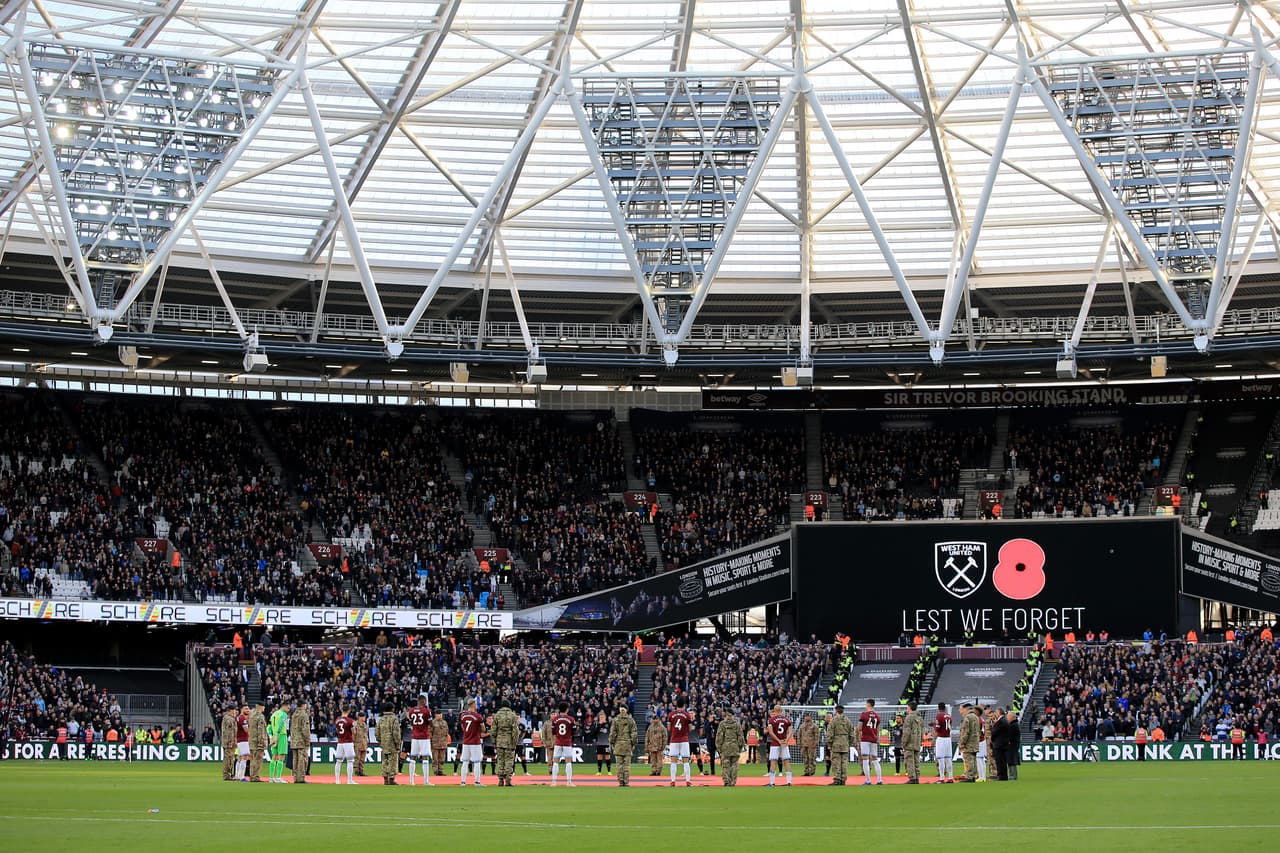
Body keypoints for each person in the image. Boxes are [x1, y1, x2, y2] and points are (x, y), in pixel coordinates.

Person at [405, 695, 434, 786]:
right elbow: (431, 724)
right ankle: (425, 781)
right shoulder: (426, 711)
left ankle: (411, 781)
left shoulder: (411, 711)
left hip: (414, 736)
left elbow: (410, 721)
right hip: (424, 736)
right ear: (424, 701)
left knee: (413, 757)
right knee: (425, 757)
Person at [492, 699, 521, 787]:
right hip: (509, 741)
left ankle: (500, 780)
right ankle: (508, 780)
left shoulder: (497, 715)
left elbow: (493, 730)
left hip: (499, 741)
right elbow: (515, 731)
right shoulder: (512, 715)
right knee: (509, 761)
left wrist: (494, 742)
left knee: (500, 760)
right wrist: (515, 742)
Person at [458, 699, 487, 786]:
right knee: (477, 762)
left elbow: (463, 727)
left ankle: (463, 782)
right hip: (475, 741)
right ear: (473, 704)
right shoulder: (478, 716)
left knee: (465, 761)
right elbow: (483, 729)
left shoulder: (463, 715)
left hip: (466, 741)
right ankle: (477, 782)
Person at [668, 699, 696, 787]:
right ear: (683, 705)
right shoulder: (687, 715)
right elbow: (690, 728)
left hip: (674, 740)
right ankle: (688, 781)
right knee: (686, 761)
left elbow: (669, 728)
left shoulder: (671, 714)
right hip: (684, 740)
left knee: (673, 761)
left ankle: (673, 781)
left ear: (676, 705)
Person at [609, 705, 638, 787]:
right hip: (627, 744)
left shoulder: (616, 720)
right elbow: (634, 733)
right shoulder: (630, 720)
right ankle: (626, 781)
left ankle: (620, 781)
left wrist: (612, 742)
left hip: (618, 744)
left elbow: (612, 733)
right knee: (627, 765)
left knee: (619, 765)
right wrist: (633, 743)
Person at [715, 709, 745, 787]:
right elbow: (741, 737)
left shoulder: (722, 724)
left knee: (725, 765)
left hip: (725, 747)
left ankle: (726, 781)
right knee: (734, 765)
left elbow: (719, 737)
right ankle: (733, 781)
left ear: (726, 714)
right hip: (735, 746)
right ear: (733, 715)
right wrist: (740, 747)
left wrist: (719, 747)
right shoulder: (736, 724)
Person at [765, 703, 794, 787]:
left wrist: (778, 740)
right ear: (781, 711)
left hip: (775, 744)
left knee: (773, 762)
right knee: (786, 762)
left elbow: (771, 732)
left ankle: (772, 782)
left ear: (774, 710)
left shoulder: (771, 720)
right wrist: (786, 741)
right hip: (784, 743)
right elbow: (791, 732)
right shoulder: (787, 720)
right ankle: (789, 782)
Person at [549, 700, 576, 787]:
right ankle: (568, 782)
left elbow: (553, 732)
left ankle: (554, 782)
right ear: (567, 709)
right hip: (567, 742)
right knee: (568, 762)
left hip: (558, 742)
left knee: (556, 762)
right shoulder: (571, 719)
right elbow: (574, 732)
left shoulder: (555, 719)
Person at [826, 706, 855, 786]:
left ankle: (837, 779)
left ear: (836, 711)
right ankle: (843, 779)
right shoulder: (848, 721)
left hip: (836, 744)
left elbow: (830, 734)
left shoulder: (833, 721)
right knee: (844, 763)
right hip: (845, 743)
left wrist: (829, 743)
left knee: (836, 762)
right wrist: (849, 743)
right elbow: (852, 734)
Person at [858, 699, 883, 786]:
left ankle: (868, 780)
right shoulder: (877, 716)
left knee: (865, 759)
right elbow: (877, 728)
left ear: (868, 705)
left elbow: (859, 728)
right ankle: (880, 780)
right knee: (875, 759)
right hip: (874, 738)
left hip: (865, 738)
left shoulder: (864, 715)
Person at [376, 702, 400, 785]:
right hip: (392, 743)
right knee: (392, 761)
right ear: (392, 709)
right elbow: (396, 733)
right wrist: (398, 743)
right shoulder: (394, 719)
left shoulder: (381, 719)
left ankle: (385, 779)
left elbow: (377, 732)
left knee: (384, 761)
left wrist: (380, 741)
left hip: (384, 743)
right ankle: (391, 779)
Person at [958, 703, 981, 782]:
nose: (959, 711)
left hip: (968, 743)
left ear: (965, 709)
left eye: (960, 709)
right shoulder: (976, 717)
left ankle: (969, 776)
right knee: (973, 759)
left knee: (968, 759)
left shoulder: (967, 717)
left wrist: (961, 743)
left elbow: (965, 732)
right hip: (975, 742)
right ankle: (973, 775)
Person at [333, 707, 357, 785]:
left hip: (340, 742)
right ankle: (349, 780)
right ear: (349, 711)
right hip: (348, 742)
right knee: (350, 761)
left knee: (338, 761)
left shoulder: (337, 720)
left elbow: (337, 730)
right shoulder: (350, 721)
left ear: (341, 710)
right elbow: (354, 732)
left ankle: (337, 780)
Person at [902, 701, 923, 784]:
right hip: (917, 742)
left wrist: (904, 743)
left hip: (910, 743)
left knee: (909, 761)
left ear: (909, 707)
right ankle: (917, 778)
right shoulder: (919, 718)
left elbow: (907, 732)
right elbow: (921, 731)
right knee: (916, 760)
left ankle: (912, 778)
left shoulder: (909, 717)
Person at [267, 702, 289, 783]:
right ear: (284, 706)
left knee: (274, 757)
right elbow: (280, 725)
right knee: (281, 757)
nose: (288, 710)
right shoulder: (283, 714)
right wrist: (277, 735)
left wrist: (271, 736)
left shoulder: (273, 714)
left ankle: (271, 777)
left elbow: (268, 727)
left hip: (273, 736)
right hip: (281, 735)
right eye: (288, 708)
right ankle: (278, 778)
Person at [290, 701, 311, 784]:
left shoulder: (294, 714)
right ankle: (301, 778)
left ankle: (295, 777)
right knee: (302, 760)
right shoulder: (304, 715)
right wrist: (307, 740)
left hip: (294, 740)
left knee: (295, 759)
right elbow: (305, 729)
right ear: (303, 705)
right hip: (301, 741)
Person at [932, 702, 954, 783]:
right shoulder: (949, 716)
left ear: (938, 708)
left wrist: (933, 725)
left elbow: (937, 728)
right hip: (948, 739)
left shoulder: (939, 716)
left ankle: (941, 778)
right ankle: (951, 777)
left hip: (941, 739)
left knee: (940, 759)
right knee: (948, 759)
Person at [248, 702, 267, 782]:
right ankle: (255, 776)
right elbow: (261, 730)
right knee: (258, 760)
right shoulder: (260, 716)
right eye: (263, 707)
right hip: (258, 742)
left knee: (253, 759)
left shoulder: (252, 715)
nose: (264, 708)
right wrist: (262, 742)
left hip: (252, 740)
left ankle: (252, 775)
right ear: (261, 707)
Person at [990, 707, 1011, 781]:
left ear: (999, 713)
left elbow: (994, 732)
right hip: (1003, 744)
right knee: (1002, 761)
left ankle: (1002, 776)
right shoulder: (1005, 720)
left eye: (996, 712)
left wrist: (993, 727)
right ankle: (1003, 776)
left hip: (999, 744)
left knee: (1000, 761)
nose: (995, 714)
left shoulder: (1001, 721)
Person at [220, 705, 237, 781]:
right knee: (229, 759)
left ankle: (228, 774)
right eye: (234, 710)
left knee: (230, 759)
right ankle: (227, 775)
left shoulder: (228, 718)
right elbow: (229, 732)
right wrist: (230, 741)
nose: (235, 712)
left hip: (228, 742)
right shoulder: (229, 719)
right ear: (230, 710)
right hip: (229, 742)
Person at [234, 704, 251, 781]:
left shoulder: (237, 717)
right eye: (246, 709)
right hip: (243, 740)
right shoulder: (242, 718)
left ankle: (237, 776)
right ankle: (241, 777)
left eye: (248, 709)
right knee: (245, 758)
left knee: (239, 758)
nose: (248, 710)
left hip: (239, 740)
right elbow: (246, 730)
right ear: (242, 709)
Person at [592, 711, 612, 775]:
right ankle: (599, 771)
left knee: (607, 757)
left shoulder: (608, 724)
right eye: (600, 717)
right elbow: (594, 734)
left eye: (602, 717)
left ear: (605, 717)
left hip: (606, 743)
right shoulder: (597, 724)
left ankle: (609, 771)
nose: (601, 718)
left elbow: (611, 732)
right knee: (599, 757)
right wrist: (599, 725)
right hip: (599, 743)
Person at [1004, 710, 1021, 780]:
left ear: (1012, 717)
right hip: (1013, 746)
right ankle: (1012, 775)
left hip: (1012, 746)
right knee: (1011, 761)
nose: (1007, 718)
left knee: (1012, 761)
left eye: (1008, 716)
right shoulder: (1014, 724)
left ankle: (1013, 775)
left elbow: (1009, 736)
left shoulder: (1013, 725)